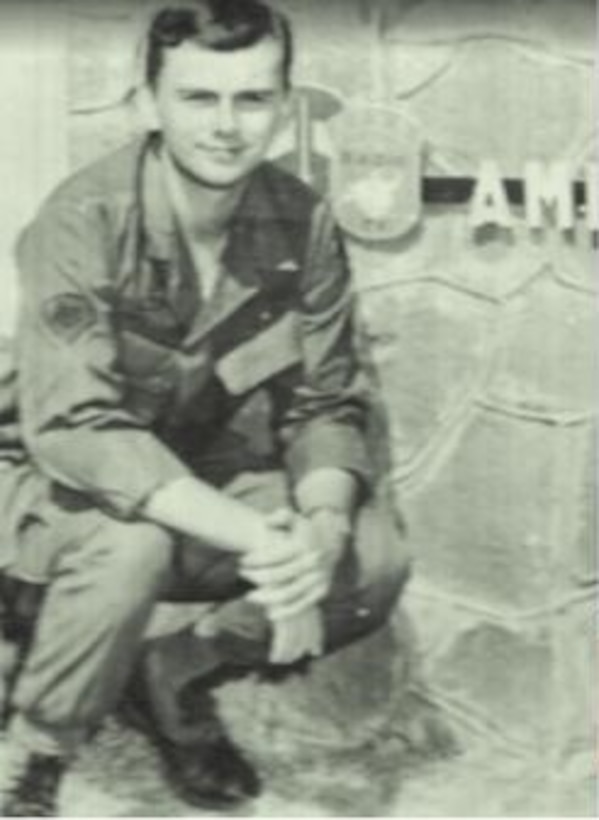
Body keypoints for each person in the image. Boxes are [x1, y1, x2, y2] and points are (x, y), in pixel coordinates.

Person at [0, 0, 410, 815]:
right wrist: (261, 536)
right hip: (43, 485)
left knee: (370, 556)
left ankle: (171, 674)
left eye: (251, 99)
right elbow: (79, 432)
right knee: (131, 543)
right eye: (198, 98)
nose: (227, 126)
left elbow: (325, 401)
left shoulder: (302, 221)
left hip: (196, 481)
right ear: (148, 104)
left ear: (283, 108)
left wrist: (317, 535)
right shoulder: (81, 221)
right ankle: (35, 752)